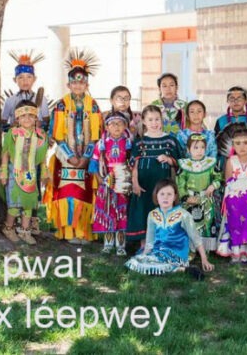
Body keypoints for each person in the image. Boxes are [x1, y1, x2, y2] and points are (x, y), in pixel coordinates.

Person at [44, 49, 102, 245]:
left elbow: (96, 135)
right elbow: (56, 135)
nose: (78, 85)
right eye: (74, 82)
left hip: (86, 158)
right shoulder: (61, 106)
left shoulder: (93, 106)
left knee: (84, 194)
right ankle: (68, 232)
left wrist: (86, 157)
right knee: (68, 192)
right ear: (69, 84)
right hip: (66, 157)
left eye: (82, 82)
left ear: (87, 84)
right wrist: (70, 157)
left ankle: (84, 232)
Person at [125, 180, 214, 276]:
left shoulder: (183, 215)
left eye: (169, 194)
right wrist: (144, 256)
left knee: (153, 266)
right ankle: (178, 269)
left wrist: (204, 260)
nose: (165, 197)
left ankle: (180, 268)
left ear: (175, 197)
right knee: (134, 262)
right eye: (162, 194)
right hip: (157, 251)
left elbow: (196, 239)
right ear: (156, 196)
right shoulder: (152, 215)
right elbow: (150, 242)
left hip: (176, 253)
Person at [127, 105, 183, 247]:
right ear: (144, 122)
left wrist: (169, 159)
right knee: (143, 213)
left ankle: (161, 245)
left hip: (162, 186)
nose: (154, 123)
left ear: (162, 120)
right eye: (150, 119)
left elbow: (180, 162)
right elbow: (134, 165)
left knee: (161, 211)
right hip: (143, 186)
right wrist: (135, 183)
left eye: (157, 119)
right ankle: (144, 246)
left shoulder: (170, 141)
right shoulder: (140, 142)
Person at [0, 99, 50, 245]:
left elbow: (43, 155)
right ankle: (8, 228)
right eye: (23, 116)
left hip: (31, 174)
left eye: (30, 115)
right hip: (13, 171)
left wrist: (44, 172)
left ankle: (25, 231)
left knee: (28, 204)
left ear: (36, 117)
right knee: (14, 205)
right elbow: (6, 153)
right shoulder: (13, 133)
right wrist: (3, 172)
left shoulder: (40, 135)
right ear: (17, 118)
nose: (27, 119)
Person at [216, 127, 247, 262]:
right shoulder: (231, 161)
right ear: (233, 145)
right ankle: (234, 251)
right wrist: (233, 195)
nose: (242, 147)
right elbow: (228, 181)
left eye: (245, 143)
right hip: (233, 199)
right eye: (238, 143)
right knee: (234, 224)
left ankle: (244, 252)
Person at [90, 111, 133, 255]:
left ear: (125, 126)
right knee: (108, 211)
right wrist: (99, 179)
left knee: (122, 213)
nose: (116, 127)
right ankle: (108, 244)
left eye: (120, 124)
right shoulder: (102, 144)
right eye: (112, 124)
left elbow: (132, 163)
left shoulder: (128, 143)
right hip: (106, 181)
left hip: (123, 182)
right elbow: (94, 163)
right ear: (106, 127)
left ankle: (121, 245)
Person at [177, 133, 222, 252]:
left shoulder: (210, 163)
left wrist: (213, 185)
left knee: (206, 224)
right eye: (195, 148)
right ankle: (191, 250)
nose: (199, 151)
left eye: (202, 147)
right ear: (188, 149)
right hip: (190, 200)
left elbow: (219, 178)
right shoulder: (184, 165)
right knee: (191, 224)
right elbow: (180, 183)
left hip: (206, 199)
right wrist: (185, 197)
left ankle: (206, 249)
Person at [0, 50, 50, 131]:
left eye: (29, 77)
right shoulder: (9, 101)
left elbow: (47, 123)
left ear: (34, 79)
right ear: (14, 80)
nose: (25, 81)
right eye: (20, 77)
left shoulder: (41, 99)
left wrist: (40, 124)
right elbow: (2, 125)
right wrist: (12, 126)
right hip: (16, 140)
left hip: (37, 140)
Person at [213, 86, 247, 167]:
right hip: (226, 165)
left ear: (245, 101)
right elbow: (215, 147)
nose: (235, 101)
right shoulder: (221, 121)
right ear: (227, 101)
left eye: (239, 98)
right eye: (232, 99)